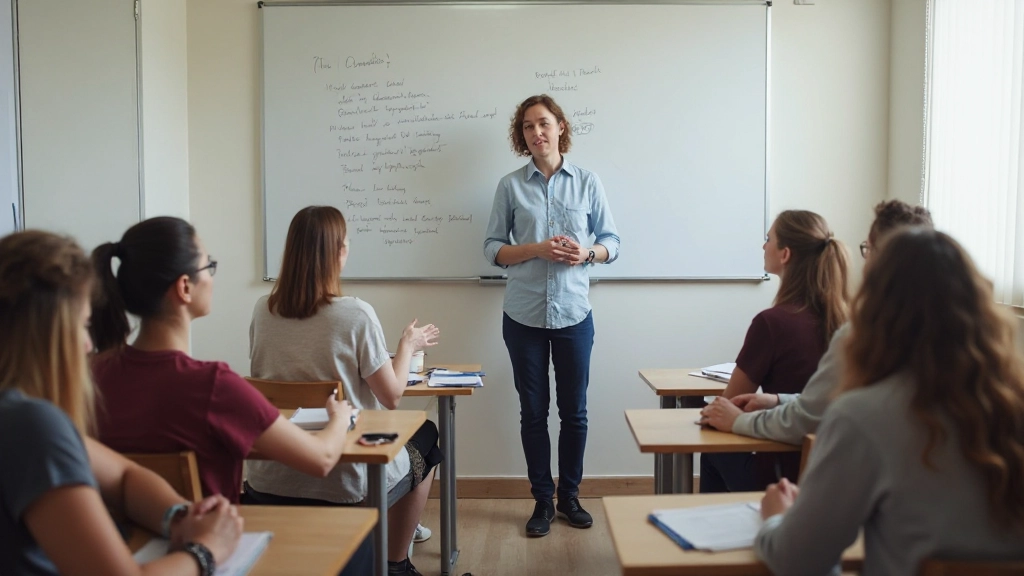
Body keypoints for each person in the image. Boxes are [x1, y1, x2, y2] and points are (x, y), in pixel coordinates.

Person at [755, 228, 1024, 575]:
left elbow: (799, 560)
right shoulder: (1013, 405)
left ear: (876, 310)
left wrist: (777, 520)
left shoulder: (861, 417)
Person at [0, 230, 242, 576]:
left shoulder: (18, 416)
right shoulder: (30, 425)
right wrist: (206, 550)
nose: (87, 345)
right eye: (82, 325)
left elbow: (126, 476)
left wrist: (180, 517)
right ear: (46, 333)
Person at [89, 216, 355, 504]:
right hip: (209, 542)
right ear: (184, 288)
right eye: (208, 266)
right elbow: (322, 459)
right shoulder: (213, 386)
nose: (212, 277)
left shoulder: (91, 375)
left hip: (117, 544)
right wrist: (340, 419)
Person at [244, 206, 441, 576]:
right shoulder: (355, 314)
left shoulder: (262, 310)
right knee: (427, 435)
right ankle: (396, 561)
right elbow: (392, 395)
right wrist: (408, 345)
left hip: (268, 476)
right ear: (338, 253)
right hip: (344, 483)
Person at [483, 94, 620, 537]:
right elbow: (492, 250)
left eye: (543, 123)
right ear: (520, 136)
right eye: (527, 127)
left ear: (560, 126)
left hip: (575, 315)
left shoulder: (587, 181)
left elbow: (613, 241)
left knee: (575, 413)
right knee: (532, 413)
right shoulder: (510, 185)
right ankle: (542, 501)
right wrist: (536, 250)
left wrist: (588, 253)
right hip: (522, 317)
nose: (536, 133)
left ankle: (570, 497)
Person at [700, 200, 933, 443]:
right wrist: (779, 399)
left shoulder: (861, 336)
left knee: (714, 453)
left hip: (795, 464)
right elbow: (829, 401)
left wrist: (739, 421)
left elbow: (807, 418)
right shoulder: (949, 337)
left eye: (868, 250)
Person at [698, 210, 848, 492]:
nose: (763, 245)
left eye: (769, 239)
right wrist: (776, 400)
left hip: (780, 477)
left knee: (713, 453)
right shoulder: (848, 322)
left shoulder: (772, 323)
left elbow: (727, 404)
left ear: (785, 254)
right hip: (835, 475)